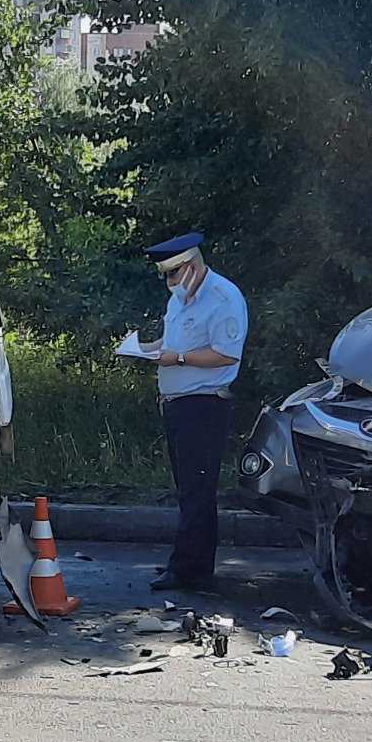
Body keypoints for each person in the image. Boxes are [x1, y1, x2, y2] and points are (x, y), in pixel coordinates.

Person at [137, 231, 248, 593]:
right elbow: (172, 344)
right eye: (166, 275)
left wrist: (178, 358)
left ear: (194, 265)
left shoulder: (223, 298)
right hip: (178, 403)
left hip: (204, 404)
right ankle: (193, 564)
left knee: (197, 490)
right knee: (189, 488)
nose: (169, 282)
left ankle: (188, 569)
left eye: (174, 273)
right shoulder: (182, 299)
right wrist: (146, 349)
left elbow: (227, 354)